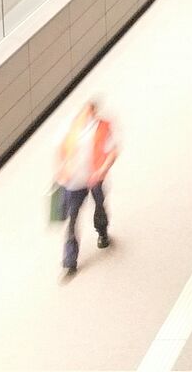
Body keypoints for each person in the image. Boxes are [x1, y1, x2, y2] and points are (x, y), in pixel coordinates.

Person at [54, 98, 118, 276]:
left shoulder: (103, 127)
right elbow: (60, 150)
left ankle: (102, 231)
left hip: (94, 178)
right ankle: (69, 261)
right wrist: (61, 170)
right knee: (72, 219)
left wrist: (102, 170)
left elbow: (113, 152)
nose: (86, 115)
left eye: (89, 112)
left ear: (94, 112)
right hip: (74, 183)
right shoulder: (70, 128)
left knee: (99, 206)